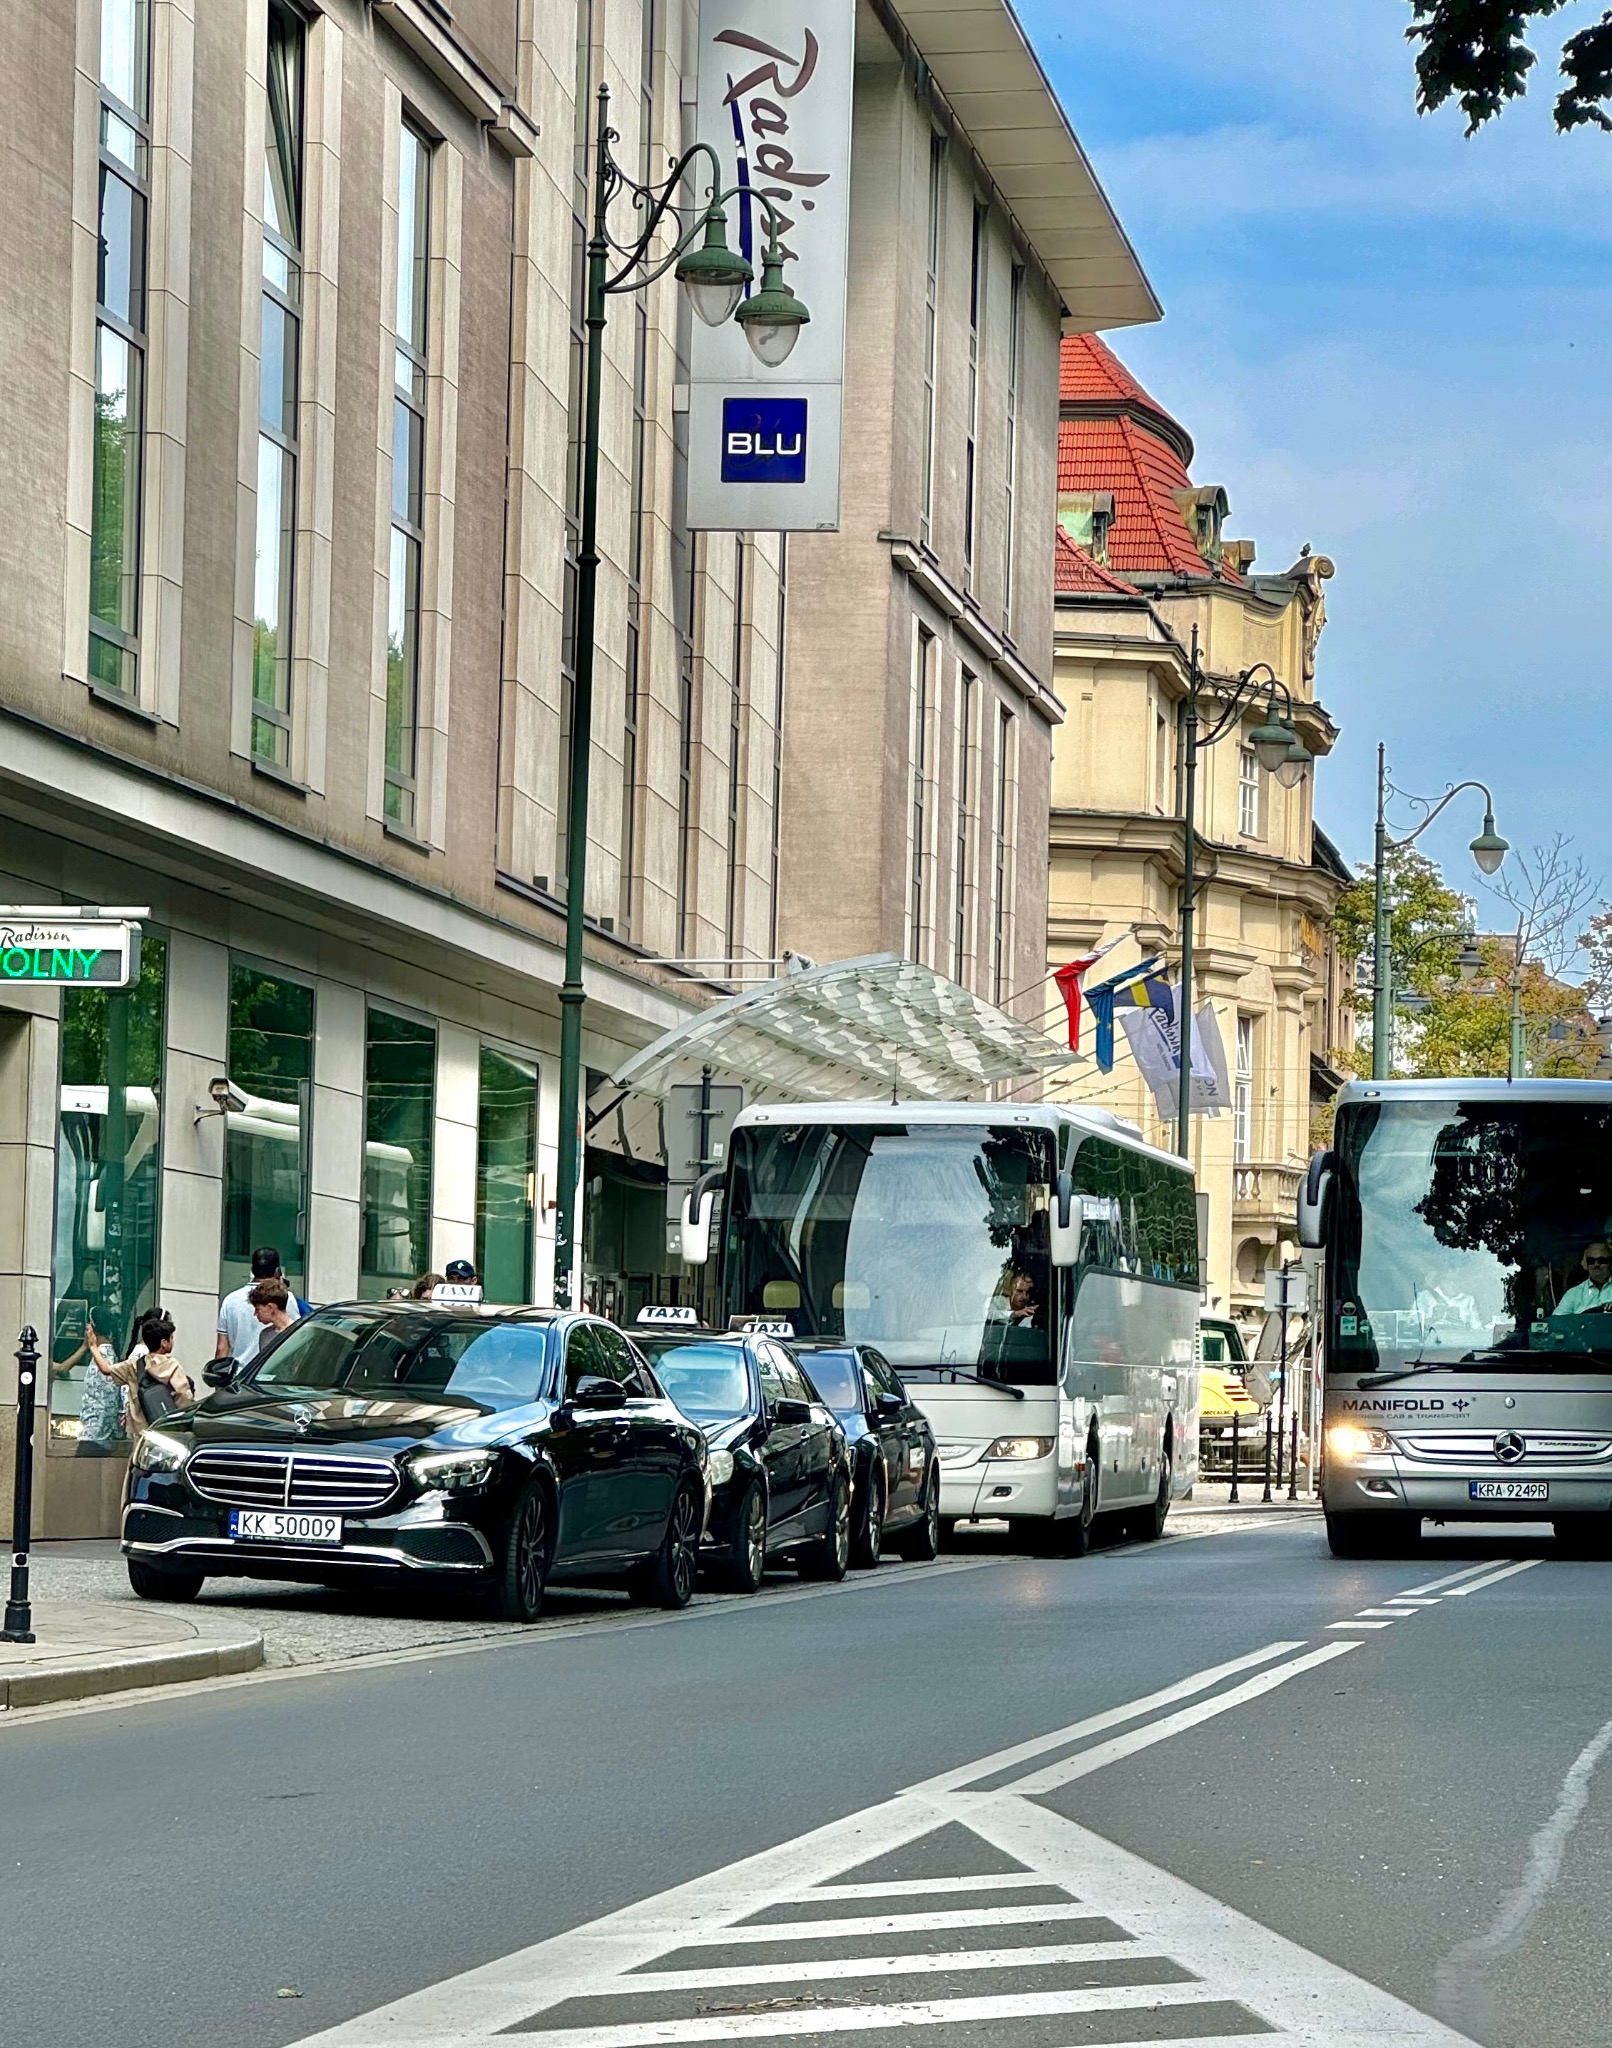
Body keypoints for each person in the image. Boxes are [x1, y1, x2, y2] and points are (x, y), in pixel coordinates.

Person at [106, 1311, 195, 1438]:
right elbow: (183, 1395)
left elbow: (106, 1370)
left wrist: (92, 1346)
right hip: (165, 1429)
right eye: (171, 1338)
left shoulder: (134, 1364)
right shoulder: (172, 1365)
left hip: (139, 1431)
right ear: (164, 1342)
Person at [217, 1247, 306, 1366]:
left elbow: (222, 1348)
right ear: (277, 1272)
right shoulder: (286, 1297)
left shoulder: (230, 1300)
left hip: (238, 1377)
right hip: (270, 1376)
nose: (255, 1313)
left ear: (252, 1270)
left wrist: (218, 1379)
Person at [1554, 1243, 1612, 1316]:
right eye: (1591, 1261)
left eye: (1602, 1260)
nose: (1596, 1264)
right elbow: (1557, 1321)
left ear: (1610, 1264)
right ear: (1586, 1265)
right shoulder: (1573, 1294)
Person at [248, 1277, 295, 1346]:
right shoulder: (265, 1335)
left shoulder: (298, 1334)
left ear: (271, 1308)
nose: (255, 1314)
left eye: (258, 1309)